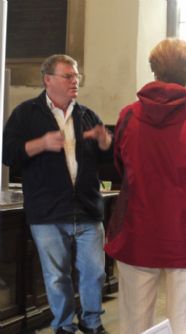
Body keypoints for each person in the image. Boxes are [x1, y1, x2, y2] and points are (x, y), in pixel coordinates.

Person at [104, 38, 186, 334]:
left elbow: (122, 168)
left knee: (134, 322)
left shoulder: (128, 116)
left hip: (137, 228)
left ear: (154, 68)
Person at [2, 54, 112, 334]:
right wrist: (40, 144)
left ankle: (92, 323)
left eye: (77, 76)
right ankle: (63, 326)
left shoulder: (86, 115)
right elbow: (8, 153)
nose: (75, 81)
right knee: (56, 277)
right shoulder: (27, 113)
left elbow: (107, 158)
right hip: (47, 211)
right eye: (68, 76)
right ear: (48, 79)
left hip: (87, 208)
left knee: (94, 272)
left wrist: (104, 141)